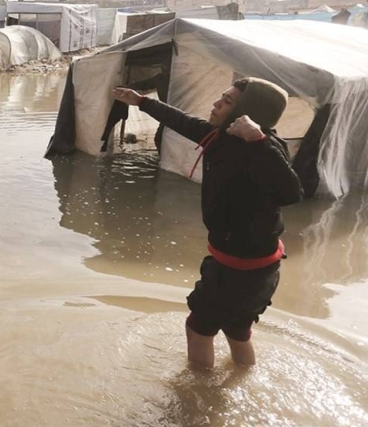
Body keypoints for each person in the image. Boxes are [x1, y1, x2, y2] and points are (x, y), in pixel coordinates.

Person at [112, 78, 303, 369]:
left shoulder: (263, 147)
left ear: (248, 113)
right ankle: (241, 378)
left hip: (240, 270)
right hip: (253, 266)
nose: (216, 104)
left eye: (227, 101)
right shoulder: (221, 136)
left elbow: (292, 193)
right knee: (237, 331)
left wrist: (256, 139)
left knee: (198, 329)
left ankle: (197, 393)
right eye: (221, 97)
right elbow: (183, 122)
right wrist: (141, 101)